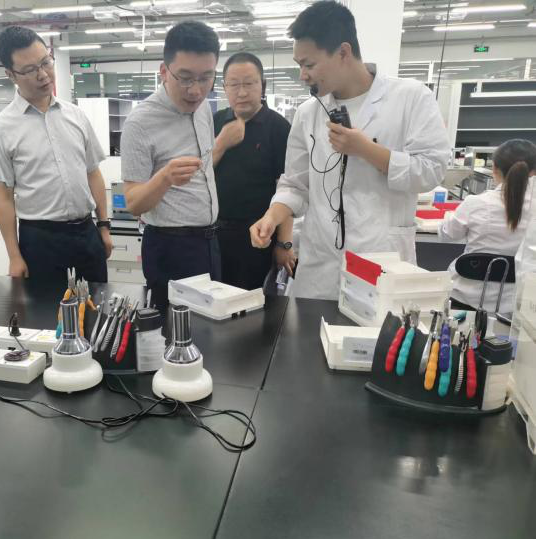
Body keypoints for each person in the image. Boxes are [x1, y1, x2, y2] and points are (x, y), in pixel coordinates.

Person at [249, 0, 450, 300]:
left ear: (343, 52)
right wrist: (272, 216)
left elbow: (432, 170)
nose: (303, 75)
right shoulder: (308, 113)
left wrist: (366, 150)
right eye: (299, 65)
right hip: (320, 264)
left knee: (375, 329)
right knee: (309, 329)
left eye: (309, 65)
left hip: (381, 259)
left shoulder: (410, 98)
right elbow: (295, 184)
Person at [0, 26, 112, 282]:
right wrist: (14, 256)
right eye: (30, 70)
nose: (43, 74)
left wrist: (103, 226)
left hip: (87, 234)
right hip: (40, 240)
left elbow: (93, 173)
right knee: (44, 308)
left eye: (46, 62)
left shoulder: (76, 115)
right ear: (11, 74)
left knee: (97, 304)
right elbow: (4, 198)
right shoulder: (1, 129)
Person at [121, 21, 220, 310]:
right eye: (185, 78)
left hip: (210, 242)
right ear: (164, 71)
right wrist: (164, 177)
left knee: (212, 328)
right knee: (172, 332)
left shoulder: (203, 108)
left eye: (206, 78)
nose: (196, 90)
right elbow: (133, 203)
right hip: (170, 247)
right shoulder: (140, 123)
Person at [212, 52, 296, 291]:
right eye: (234, 84)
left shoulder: (279, 128)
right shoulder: (214, 122)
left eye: (249, 83)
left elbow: (289, 188)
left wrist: (284, 243)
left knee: (255, 305)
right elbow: (198, 174)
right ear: (225, 88)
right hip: (214, 236)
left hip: (258, 238)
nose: (241, 92)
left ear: (262, 86)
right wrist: (221, 144)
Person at [439, 139, 536, 313]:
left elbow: (447, 234)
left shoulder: (476, 203)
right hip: (515, 307)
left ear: (495, 169)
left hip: (465, 299)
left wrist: (448, 218)